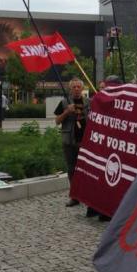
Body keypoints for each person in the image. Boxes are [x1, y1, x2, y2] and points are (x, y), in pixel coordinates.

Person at [54, 78, 88, 207]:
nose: (76, 89)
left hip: (84, 140)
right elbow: (57, 121)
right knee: (71, 168)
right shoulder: (64, 102)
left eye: (79, 87)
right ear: (70, 89)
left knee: (86, 169)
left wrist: (83, 113)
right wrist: (67, 111)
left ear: (82, 88)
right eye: (74, 87)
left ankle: (86, 194)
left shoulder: (88, 103)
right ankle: (74, 196)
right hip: (69, 141)